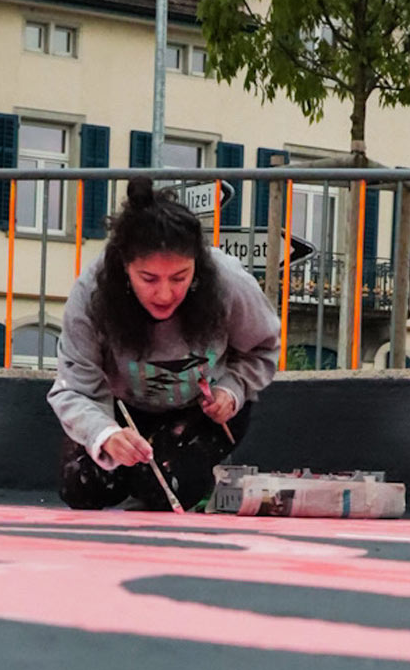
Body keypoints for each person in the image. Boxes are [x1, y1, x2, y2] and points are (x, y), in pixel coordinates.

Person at [47, 177, 279, 509]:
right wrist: (105, 434)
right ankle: (141, 468)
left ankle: (192, 475)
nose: (165, 294)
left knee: (164, 489)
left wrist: (233, 389)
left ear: (197, 266)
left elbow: (263, 347)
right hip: (124, 409)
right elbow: (72, 388)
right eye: (149, 279)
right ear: (125, 267)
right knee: (82, 487)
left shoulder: (229, 282)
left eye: (180, 277)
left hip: (204, 412)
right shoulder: (92, 293)